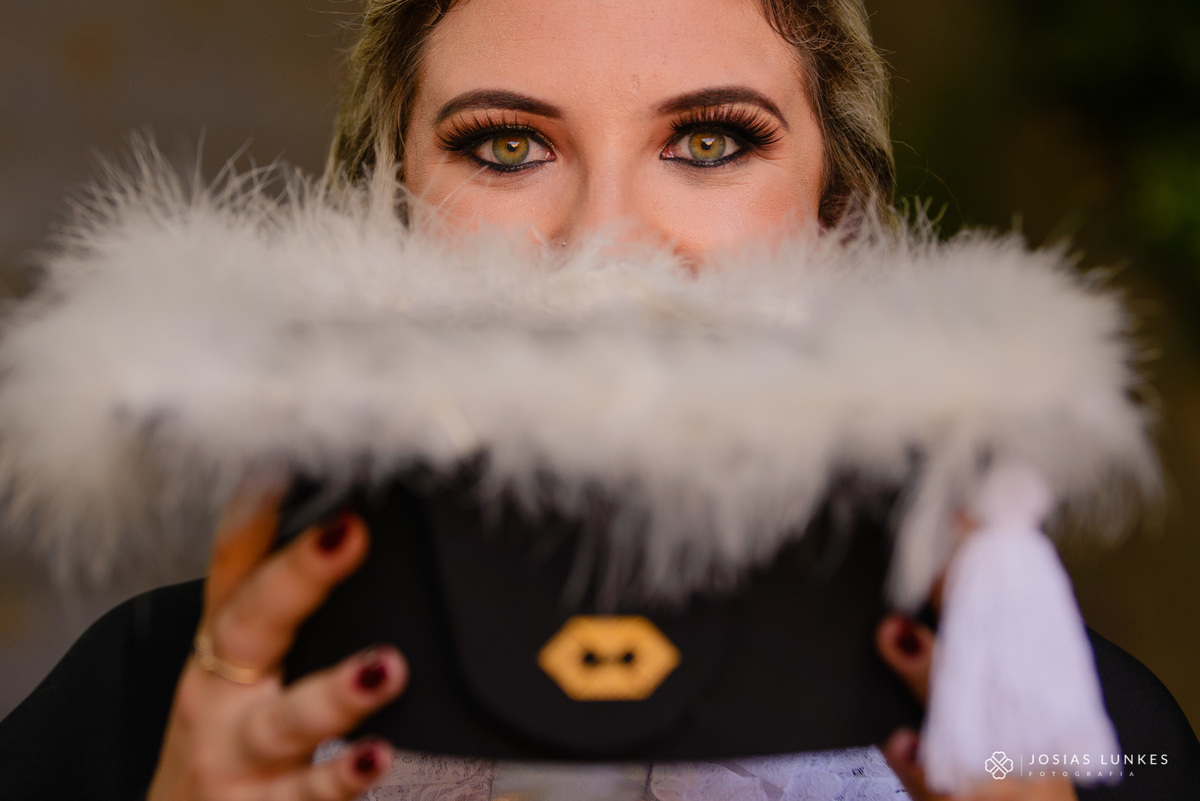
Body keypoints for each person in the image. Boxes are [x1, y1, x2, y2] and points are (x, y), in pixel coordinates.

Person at [1, 1, 1197, 800]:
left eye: (715, 141)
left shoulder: (1051, 718)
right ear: (382, 213)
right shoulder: (158, 704)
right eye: (508, 147)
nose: (608, 240)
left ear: (842, 220)